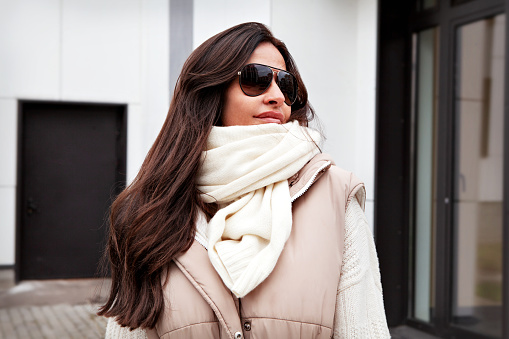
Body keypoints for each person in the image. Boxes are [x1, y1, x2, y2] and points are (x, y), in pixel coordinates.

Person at [99, 22, 390, 339]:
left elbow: (364, 329)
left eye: (286, 85)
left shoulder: (336, 196)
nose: (277, 96)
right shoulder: (151, 210)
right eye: (257, 79)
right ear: (211, 92)